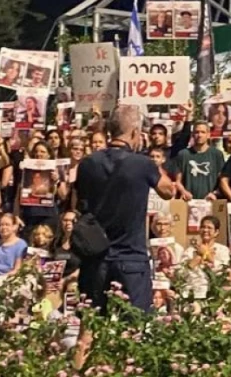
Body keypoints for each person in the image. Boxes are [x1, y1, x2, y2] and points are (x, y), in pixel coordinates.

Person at [75, 105, 177, 312]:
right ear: (135, 132)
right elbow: (169, 191)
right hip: (130, 257)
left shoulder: (87, 163)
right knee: (135, 327)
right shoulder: (142, 164)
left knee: (88, 327)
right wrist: (149, 161)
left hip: (95, 255)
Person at [176, 121, 225, 200]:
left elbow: (223, 181)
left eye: (203, 132)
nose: (199, 135)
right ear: (192, 135)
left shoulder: (217, 154)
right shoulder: (183, 154)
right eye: (196, 132)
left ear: (208, 135)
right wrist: (183, 191)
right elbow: (177, 181)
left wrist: (215, 193)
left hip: (210, 201)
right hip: (189, 202)